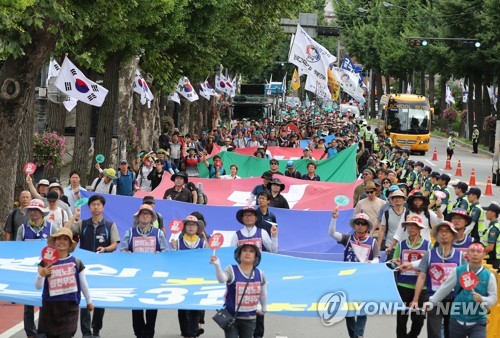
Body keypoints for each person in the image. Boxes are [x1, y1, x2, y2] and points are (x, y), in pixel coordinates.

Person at [66, 194, 120, 338]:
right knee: (85, 299)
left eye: (99, 204)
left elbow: (115, 244)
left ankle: (96, 329)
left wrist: (105, 249)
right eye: (93, 204)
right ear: (89, 207)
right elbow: (65, 232)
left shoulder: (110, 225)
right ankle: (86, 332)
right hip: (84, 268)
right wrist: (74, 216)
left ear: (103, 207)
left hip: (103, 270)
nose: (96, 207)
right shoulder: (82, 224)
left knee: (99, 302)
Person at [405, 221, 465, 338]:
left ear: (452, 235)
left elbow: (465, 278)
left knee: (451, 333)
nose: (444, 234)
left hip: (453, 299)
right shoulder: (429, 255)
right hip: (433, 299)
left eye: (447, 231)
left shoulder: (460, 256)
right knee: (434, 333)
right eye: (441, 231)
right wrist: (416, 299)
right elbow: (421, 277)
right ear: (437, 235)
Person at [426, 243, 497, 338]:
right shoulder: (458, 271)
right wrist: (432, 301)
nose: (475, 254)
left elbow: (494, 298)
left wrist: (483, 299)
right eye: (472, 251)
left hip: (478, 321)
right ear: (467, 254)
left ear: (484, 255)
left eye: (479, 251)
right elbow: (444, 288)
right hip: (456, 320)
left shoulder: (489, 276)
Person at [328, 211, 380, 338]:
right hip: (348, 280)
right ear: (354, 225)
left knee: (362, 310)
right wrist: (334, 219)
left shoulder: (373, 242)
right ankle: (354, 336)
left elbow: (377, 259)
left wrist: (371, 262)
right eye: (358, 223)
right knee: (349, 311)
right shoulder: (348, 239)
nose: (360, 226)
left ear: (367, 227)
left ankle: (359, 334)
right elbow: (332, 234)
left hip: (364, 281)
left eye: (363, 224)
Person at [35, 228, 94, 338]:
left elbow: (83, 284)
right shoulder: (45, 262)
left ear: (69, 244)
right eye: (59, 239)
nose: (61, 242)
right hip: (50, 307)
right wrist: (41, 275)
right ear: (54, 242)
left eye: (65, 239)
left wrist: (89, 301)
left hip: (70, 306)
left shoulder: (76, 262)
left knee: (66, 334)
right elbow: (38, 286)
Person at [121, 204, 167, 338]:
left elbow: (166, 251)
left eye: (148, 213)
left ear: (152, 217)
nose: (145, 216)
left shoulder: (158, 233)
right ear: (138, 217)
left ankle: (149, 332)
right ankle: (139, 332)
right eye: (143, 213)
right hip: (135, 276)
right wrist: (126, 253)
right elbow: (122, 250)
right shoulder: (130, 232)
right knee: (136, 306)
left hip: (153, 276)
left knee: (152, 305)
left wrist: (160, 254)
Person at [17, 199, 58, 338]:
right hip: (28, 271)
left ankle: (43, 331)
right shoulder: (22, 229)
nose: (33, 212)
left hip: (46, 271)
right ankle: (30, 333)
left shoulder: (52, 228)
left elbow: (57, 249)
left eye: (36, 210)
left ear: (42, 212)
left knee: (45, 303)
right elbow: (17, 250)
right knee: (28, 304)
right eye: (31, 210)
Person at [210, 244, 267, 338]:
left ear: (256, 257)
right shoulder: (231, 269)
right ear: (239, 254)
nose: (247, 253)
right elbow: (222, 279)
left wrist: (264, 308)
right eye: (244, 250)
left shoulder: (260, 274)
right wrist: (217, 265)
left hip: (250, 318)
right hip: (231, 317)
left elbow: (263, 293)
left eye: (251, 251)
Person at [391, 214, 431, 338]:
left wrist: (426, 271)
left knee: (419, 319)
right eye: (408, 225)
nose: (410, 228)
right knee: (401, 319)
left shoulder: (428, 246)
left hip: (421, 288)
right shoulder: (401, 245)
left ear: (419, 228)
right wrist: (395, 263)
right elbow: (393, 263)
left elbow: (434, 264)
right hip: (403, 286)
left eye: (414, 226)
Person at [172, 215, 206, 338]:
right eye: (188, 225)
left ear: (198, 227)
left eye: (193, 225)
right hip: (181, 279)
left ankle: (192, 332)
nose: (191, 227)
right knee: (182, 307)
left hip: (197, 280)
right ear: (184, 227)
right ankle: (185, 331)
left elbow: (205, 262)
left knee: (195, 307)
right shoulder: (177, 243)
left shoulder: (202, 243)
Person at [481, 203, 500, 270]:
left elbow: (490, 247)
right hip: (494, 259)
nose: (486, 213)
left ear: (493, 214)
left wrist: (480, 254)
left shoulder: (493, 229)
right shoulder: (494, 226)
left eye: (488, 211)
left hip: (492, 260)